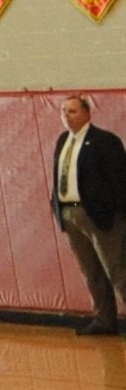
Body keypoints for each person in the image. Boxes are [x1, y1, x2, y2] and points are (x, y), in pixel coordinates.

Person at [57, 97, 126, 336]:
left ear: (87, 113)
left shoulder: (105, 141)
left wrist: (116, 213)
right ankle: (104, 320)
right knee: (91, 272)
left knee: (117, 270)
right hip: (70, 213)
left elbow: (120, 181)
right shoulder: (63, 141)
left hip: (100, 215)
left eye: (73, 111)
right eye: (63, 111)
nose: (67, 116)